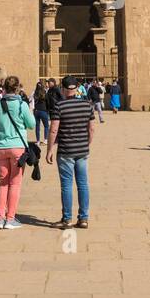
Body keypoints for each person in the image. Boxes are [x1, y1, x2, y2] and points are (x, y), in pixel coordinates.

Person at [47, 74, 95, 229]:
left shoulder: (59, 106)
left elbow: (53, 130)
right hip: (82, 151)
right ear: (76, 88)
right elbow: (92, 128)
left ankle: (67, 219)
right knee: (83, 184)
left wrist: (49, 150)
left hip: (66, 151)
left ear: (63, 88)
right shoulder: (87, 104)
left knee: (67, 185)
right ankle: (83, 218)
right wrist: (86, 143)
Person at [0, 75, 35, 228]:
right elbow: (31, 125)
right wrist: (30, 110)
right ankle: (10, 218)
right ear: (17, 88)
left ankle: (0, 217)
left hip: (1, 147)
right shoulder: (21, 105)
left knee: (3, 183)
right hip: (17, 146)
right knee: (14, 184)